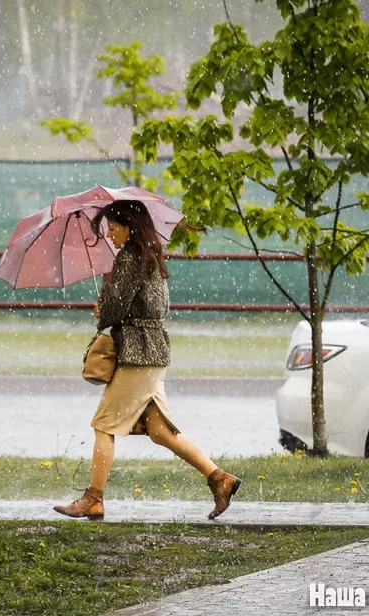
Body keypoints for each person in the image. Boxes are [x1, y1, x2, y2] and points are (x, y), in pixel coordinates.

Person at [53, 200, 241, 521]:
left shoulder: (129, 258)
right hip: (154, 353)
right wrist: (112, 303)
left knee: (104, 425)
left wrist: (103, 310)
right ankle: (219, 479)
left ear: (129, 226)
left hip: (138, 355)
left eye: (113, 227)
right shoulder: (151, 257)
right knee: (160, 432)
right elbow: (141, 304)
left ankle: (93, 499)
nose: (109, 234)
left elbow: (117, 308)